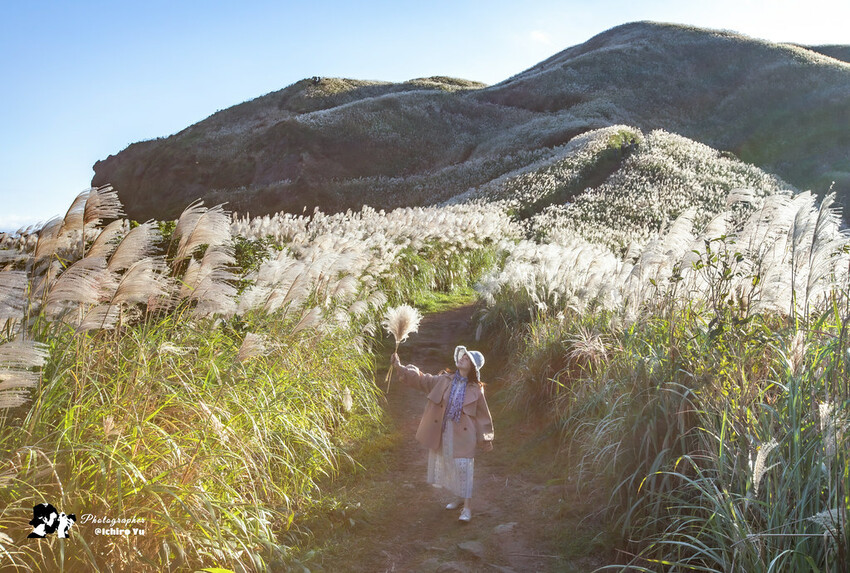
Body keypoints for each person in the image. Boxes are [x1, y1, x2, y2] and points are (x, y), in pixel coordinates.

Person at [391, 345, 494, 522]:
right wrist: (400, 367)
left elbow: (483, 415)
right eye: (463, 356)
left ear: (472, 368)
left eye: (467, 358)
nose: (462, 358)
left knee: (464, 468)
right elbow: (422, 379)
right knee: (450, 465)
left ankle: (467, 508)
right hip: (445, 431)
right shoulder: (444, 380)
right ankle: (457, 498)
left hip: (465, 435)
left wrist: (486, 438)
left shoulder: (476, 389)